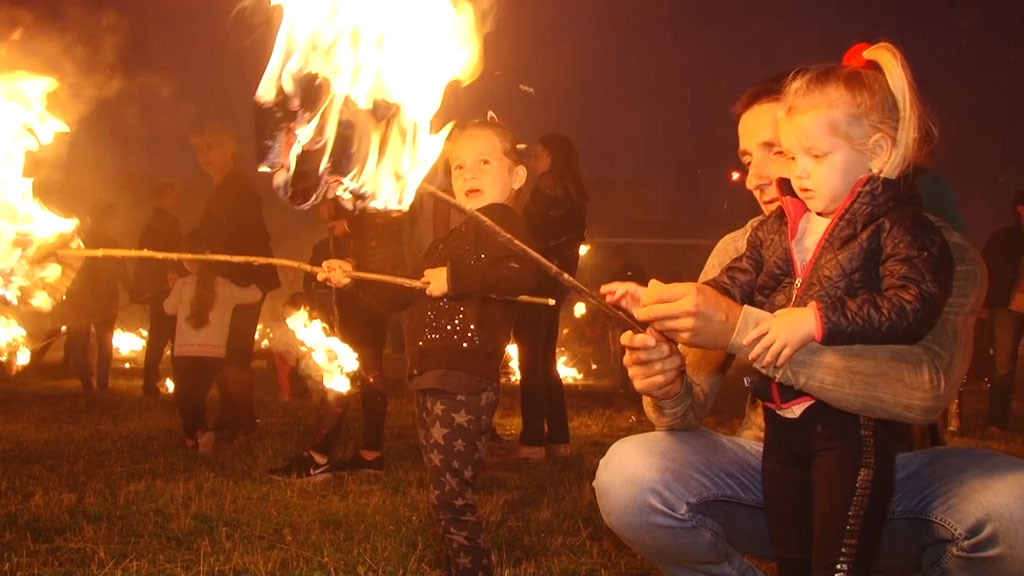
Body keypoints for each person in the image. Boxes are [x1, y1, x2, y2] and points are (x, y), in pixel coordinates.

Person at [593, 68, 1024, 575]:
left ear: (863, 147)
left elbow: (924, 389)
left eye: (781, 150)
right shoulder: (749, 245)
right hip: (769, 462)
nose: (761, 175)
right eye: (748, 158)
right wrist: (664, 378)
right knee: (629, 472)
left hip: (887, 468)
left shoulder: (932, 248)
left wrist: (746, 328)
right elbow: (682, 412)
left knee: (1012, 508)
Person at [698, 42, 952, 575]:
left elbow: (913, 304)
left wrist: (817, 320)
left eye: (817, 156)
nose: (798, 172)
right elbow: (732, 286)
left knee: (838, 559)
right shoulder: (780, 227)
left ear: (877, 152)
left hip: (849, 430)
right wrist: (669, 305)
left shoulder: (900, 226)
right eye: (794, 156)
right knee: (790, 554)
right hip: (780, 425)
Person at [320, 120, 540, 576]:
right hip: (434, 379)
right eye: (458, 166)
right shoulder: (452, 238)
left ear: (516, 177)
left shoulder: (505, 224)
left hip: (462, 380)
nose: (468, 174)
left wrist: (457, 279)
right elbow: (403, 292)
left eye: (484, 162)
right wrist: (354, 276)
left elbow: (523, 274)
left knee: (450, 495)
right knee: (445, 490)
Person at [268, 202, 393, 479]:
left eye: (323, 201)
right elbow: (312, 287)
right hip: (343, 317)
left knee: (347, 373)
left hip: (365, 309)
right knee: (366, 370)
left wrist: (351, 227)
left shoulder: (370, 217)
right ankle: (369, 454)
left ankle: (318, 457)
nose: (319, 208)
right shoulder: (326, 244)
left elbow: (389, 224)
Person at [192, 123, 281, 441]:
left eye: (210, 148)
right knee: (224, 352)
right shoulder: (222, 188)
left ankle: (246, 424)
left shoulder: (239, 188)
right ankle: (231, 417)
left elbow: (235, 235)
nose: (204, 156)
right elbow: (207, 233)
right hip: (229, 280)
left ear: (229, 150)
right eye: (200, 150)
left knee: (235, 356)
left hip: (246, 281)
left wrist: (202, 254)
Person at [509, 133, 588, 460]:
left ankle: (532, 441)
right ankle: (558, 438)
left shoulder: (548, 189)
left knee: (532, 361)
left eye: (538, 155)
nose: (532, 160)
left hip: (536, 285)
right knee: (545, 361)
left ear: (552, 157)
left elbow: (528, 233)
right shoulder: (573, 192)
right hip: (555, 285)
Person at [164, 233, 262, 454]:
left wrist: (172, 286)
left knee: (186, 396)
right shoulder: (226, 286)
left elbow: (168, 308)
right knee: (196, 394)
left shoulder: (182, 285)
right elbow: (255, 295)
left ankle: (196, 434)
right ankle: (195, 437)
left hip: (186, 352)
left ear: (189, 260)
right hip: (214, 355)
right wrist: (253, 269)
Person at [63, 199, 131, 392]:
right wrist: (132, 289)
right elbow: (121, 272)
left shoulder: (81, 242)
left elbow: (119, 269)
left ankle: (90, 382)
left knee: (84, 342)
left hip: (87, 299)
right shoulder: (99, 243)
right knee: (101, 342)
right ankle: (99, 382)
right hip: (96, 300)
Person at [132, 183, 184, 397]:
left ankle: (153, 381)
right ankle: (155, 382)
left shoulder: (162, 222)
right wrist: (170, 276)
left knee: (164, 336)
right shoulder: (163, 223)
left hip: (163, 288)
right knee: (166, 336)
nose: (177, 198)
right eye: (172, 193)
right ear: (162, 197)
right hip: (164, 289)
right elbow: (165, 256)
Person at [980, 187, 1024, 437]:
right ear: (1020, 209)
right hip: (1008, 309)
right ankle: (996, 422)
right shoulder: (1005, 238)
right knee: (1002, 368)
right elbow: (988, 268)